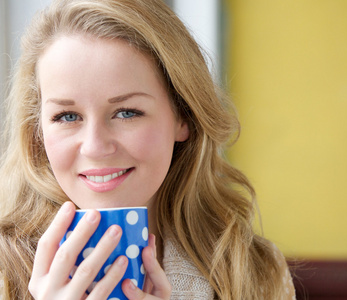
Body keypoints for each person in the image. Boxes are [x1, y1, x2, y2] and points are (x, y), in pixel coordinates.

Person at [0, 0, 296, 299]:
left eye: (127, 112)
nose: (95, 147)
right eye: (67, 117)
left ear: (184, 115)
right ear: (37, 130)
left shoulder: (257, 273)